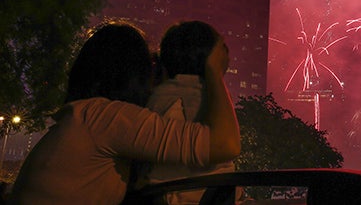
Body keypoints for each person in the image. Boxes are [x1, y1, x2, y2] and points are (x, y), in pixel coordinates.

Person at [9, 22, 240, 205]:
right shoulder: (107, 118)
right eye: (150, 66)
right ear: (131, 74)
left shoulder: (86, 118)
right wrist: (213, 71)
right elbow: (225, 145)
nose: (157, 74)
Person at [141, 21, 237, 204]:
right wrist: (215, 75)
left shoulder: (155, 97)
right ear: (212, 57)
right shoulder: (209, 97)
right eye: (222, 46)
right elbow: (227, 148)